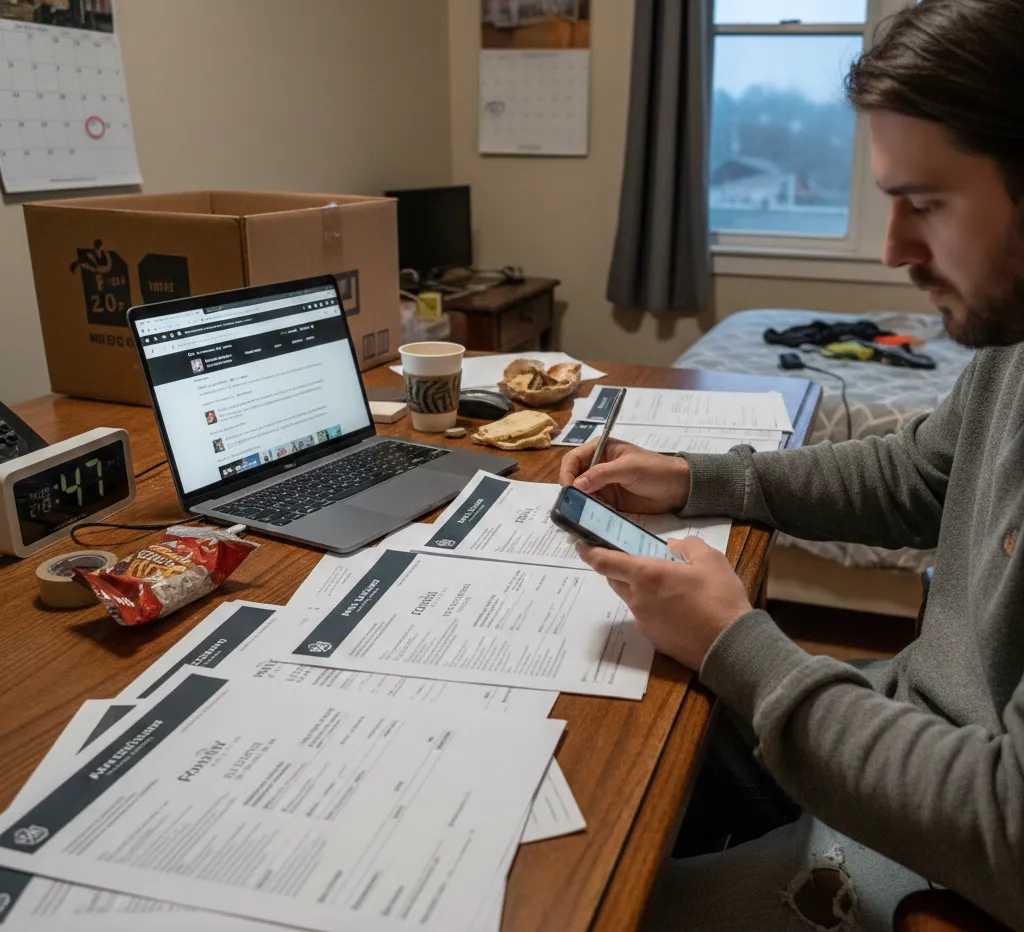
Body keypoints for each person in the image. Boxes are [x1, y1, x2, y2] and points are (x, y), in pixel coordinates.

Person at [560, 2, 1024, 929]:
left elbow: (1004, 828)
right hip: (911, 720)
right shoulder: (1013, 342)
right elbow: (920, 477)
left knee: (592, 895)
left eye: (926, 204)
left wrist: (738, 645)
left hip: (946, 855)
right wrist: (695, 477)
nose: (894, 249)